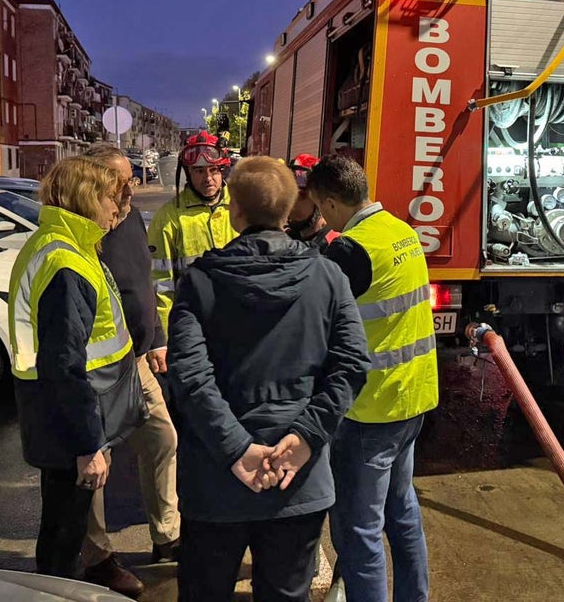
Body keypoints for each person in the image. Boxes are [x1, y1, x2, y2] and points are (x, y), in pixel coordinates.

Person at [165, 156, 370, 602]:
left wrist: (236, 448)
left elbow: (189, 376)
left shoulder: (201, 281)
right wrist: (306, 438)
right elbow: (352, 364)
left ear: (235, 212)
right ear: (289, 209)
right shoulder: (328, 277)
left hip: (216, 482)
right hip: (297, 479)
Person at [8, 156, 148, 580]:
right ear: (88, 200)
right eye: (109, 197)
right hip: (68, 421)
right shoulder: (66, 262)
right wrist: (88, 445)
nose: (116, 207)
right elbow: (64, 364)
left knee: (61, 526)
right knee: (63, 534)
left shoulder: (62, 245)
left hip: (58, 413)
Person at [307, 156, 439, 602]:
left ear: (329, 201)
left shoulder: (349, 249)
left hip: (371, 410)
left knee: (359, 531)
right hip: (413, 398)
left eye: (321, 209)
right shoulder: (402, 232)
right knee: (402, 514)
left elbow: (315, 320)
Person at [79, 144, 180, 598]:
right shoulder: (88, 230)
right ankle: (97, 556)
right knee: (97, 462)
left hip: (136, 357)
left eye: (130, 180)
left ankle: (168, 535)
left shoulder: (132, 218)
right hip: (99, 366)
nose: (128, 188)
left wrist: (155, 337)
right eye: (119, 181)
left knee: (162, 437)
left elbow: (144, 282)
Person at [149, 131, 238, 337]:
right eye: (199, 171)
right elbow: (160, 284)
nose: (208, 178)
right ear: (188, 172)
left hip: (237, 324)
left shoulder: (240, 206)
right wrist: (164, 338)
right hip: (192, 327)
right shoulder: (169, 217)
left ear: (222, 170)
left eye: (214, 170)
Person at [285, 154, 339, 252]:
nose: (290, 204)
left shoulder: (333, 244)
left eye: (300, 196)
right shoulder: (285, 239)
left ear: (318, 200)